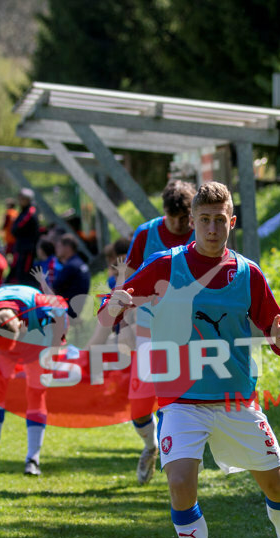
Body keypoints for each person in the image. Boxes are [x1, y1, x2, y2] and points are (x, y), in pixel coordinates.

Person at [102, 181, 280, 538]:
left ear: (231, 222)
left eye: (219, 220)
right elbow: (110, 308)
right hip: (181, 399)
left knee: (278, 487)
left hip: (235, 400)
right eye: (204, 220)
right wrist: (118, 303)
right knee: (181, 483)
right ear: (192, 222)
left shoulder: (248, 273)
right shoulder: (165, 264)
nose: (211, 228)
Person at [102, 179, 195, 485]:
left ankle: (176, 459)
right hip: (146, 325)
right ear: (164, 212)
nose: (181, 225)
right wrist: (119, 315)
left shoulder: (203, 231)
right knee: (140, 402)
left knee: (179, 398)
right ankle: (150, 445)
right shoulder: (147, 233)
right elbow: (126, 278)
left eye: (186, 218)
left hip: (190, 328)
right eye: (175, 218)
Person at [0, 284, 69, 476]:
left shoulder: (40, 307)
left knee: (36, 392)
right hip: (1, 345)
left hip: (36, 339)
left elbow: (63, 310)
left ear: (20, 325)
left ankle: (33, 459)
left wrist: (56, 343)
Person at [53, 233, 91, 319]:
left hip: (68, 310)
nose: (56, 250)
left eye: (59, 247)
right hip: (77, 308)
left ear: (67, 248)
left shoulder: (70, 266)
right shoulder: (79, 262)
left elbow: (54, 288)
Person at [8, 188, 41, 285]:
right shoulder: (24, 211)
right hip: (21, 247)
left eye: (22, 198)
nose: (20, 201)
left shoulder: (30, 211)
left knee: (25, 273)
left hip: (28, 248)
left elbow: (17, 227)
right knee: (18, 271)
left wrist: (14, 229)